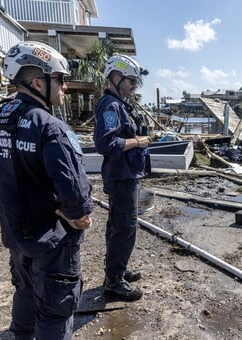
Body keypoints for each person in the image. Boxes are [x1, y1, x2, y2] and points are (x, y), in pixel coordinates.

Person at [0, 41, 93, 339]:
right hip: (52, 243)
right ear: (38, 82)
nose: (65, 87)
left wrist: (2, 209)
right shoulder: (50, 127)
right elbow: (76, 197)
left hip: (16, 238)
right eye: (60, 79)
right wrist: (81, 217)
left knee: (24, 295)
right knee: (54, 312)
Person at [93, 54, 151, 301]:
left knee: (120, 226)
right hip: (121, 176)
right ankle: (114, 281)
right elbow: (105, 143)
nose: (134, 86)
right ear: (116, 77)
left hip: (126, 175)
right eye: (131, 81)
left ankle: (118, 270)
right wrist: (138, 141)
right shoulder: (111, 106)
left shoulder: (119, 104)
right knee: (124, 228)